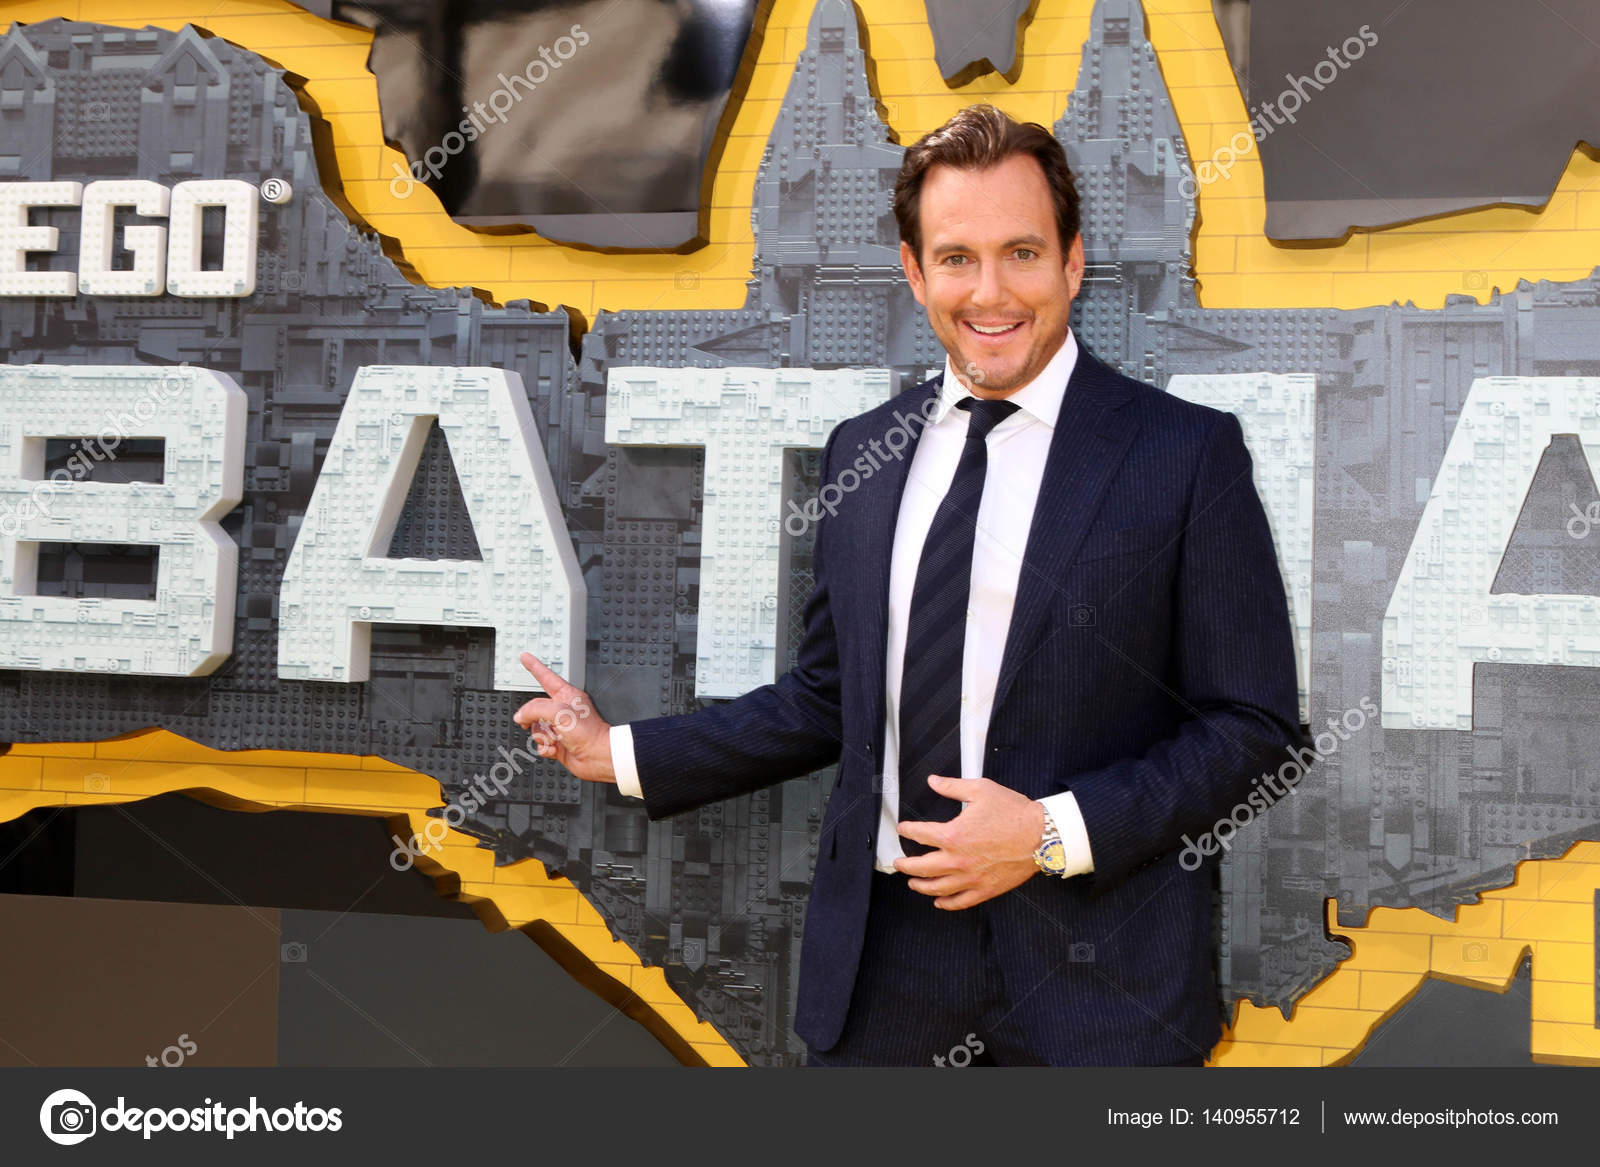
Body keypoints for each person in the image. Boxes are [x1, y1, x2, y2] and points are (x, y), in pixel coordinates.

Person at [513, 103, 1304, 1067]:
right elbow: (824, 698)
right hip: (884, 974)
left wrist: (1050, 832)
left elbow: (1254, 729)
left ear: (1073, 261)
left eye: (1021, 252)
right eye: (957, 257)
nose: (991, 291)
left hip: (1100, 986)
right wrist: (617, 752)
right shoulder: (864, 455)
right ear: (913, 272)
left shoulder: (1183, 453)